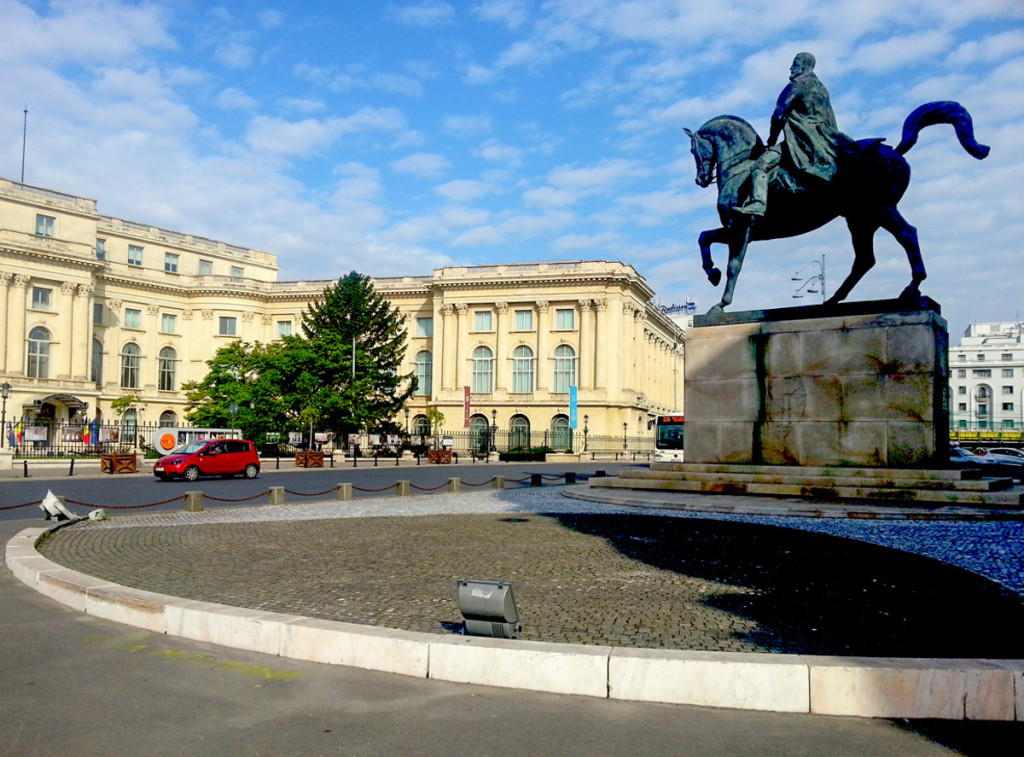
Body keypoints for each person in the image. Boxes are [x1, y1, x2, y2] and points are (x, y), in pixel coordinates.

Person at [738, 52, 839, 216]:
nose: (791, 68)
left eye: (794, 63)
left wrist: (771, 141)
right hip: (826, 142)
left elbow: (779, 113)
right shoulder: (821, 87)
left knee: (760, 165)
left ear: (804, 66)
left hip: (802, 141)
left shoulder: (798, 83)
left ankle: (757, 203)